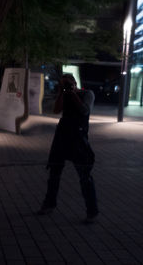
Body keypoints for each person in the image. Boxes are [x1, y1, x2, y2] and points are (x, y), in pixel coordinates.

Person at [38, 74, 98, 223]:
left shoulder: (87, 94)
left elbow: (85, 110)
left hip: (78, 140)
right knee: (54, 174)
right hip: (62, 137)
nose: (66, 86)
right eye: (63, 84)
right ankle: (49, 204)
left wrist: (72, 93)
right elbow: (56, 111)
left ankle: (92, 211)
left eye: (68, 83)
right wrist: (61, 93)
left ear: (75, 82)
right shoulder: (63, 94)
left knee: (85, 177)